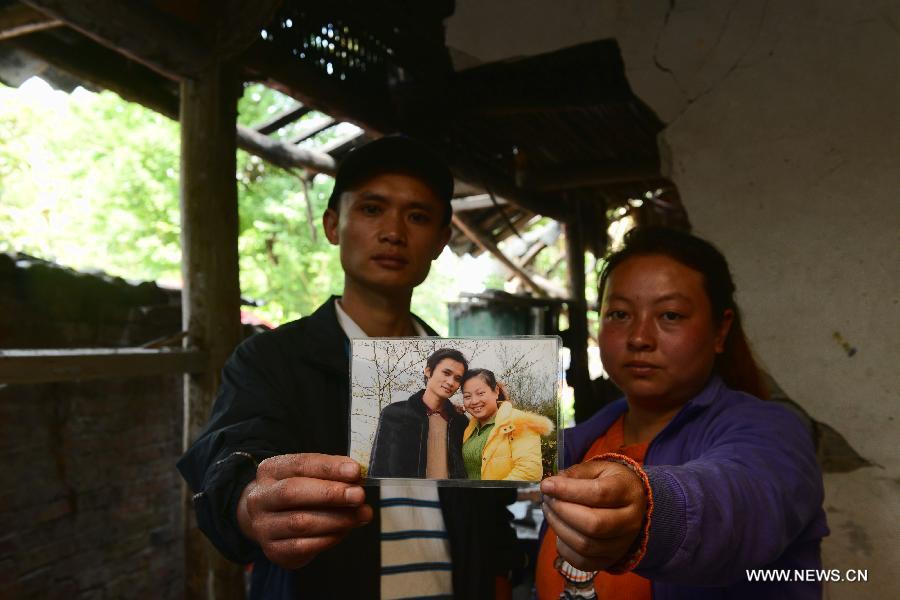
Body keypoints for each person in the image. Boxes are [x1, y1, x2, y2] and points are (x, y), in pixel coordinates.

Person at [177, 135, 519, 599]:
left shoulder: (468, 375)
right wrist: (248, 502)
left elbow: (490, 514)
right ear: (333, 224)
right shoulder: (271, 359)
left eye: (417, 216)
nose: (394, 231)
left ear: (441, 241)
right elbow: (232, 455)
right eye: (372, 209)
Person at [535, 226, 829, 599]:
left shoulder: (775, 432)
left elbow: (740, 501)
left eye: (670, 315)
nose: (640, 337)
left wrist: (650, 512)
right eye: (620, 313)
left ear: (720, 331)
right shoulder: (581, 441)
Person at [368, 348, 470, 478]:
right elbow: (379, 468)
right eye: (446, 373)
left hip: (450, 497)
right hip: (405, 497)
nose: (451, 382)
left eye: (457, 378)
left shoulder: (460, 422)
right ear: (428, 371)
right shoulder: (394, 414)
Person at [461, 368, 554, 481]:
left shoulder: (520, 422)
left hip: (502, 497)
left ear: (496, 391)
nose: (474, 401)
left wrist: (492, 496)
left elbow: (529, 472)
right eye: (467, 396)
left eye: (480, 393)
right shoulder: (469, 429)